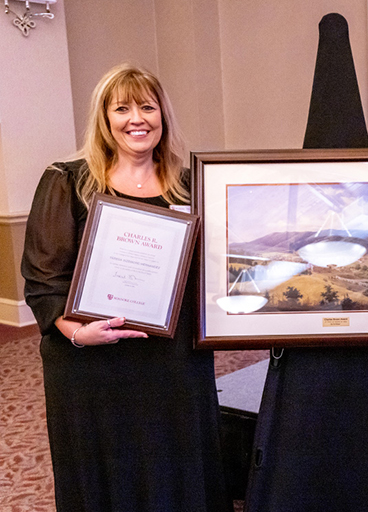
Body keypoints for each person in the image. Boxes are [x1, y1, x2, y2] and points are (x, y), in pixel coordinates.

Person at [21, 64, 231, 512]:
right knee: (110, 473)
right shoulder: (68, 181)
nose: (137, 119)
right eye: (122, 108)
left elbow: (212, 265)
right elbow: (43, 278)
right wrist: (78, 332)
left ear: (162, 116)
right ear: (105, 118)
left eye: (147, 107)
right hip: (93, 364)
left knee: (176, 465)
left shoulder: (192, 182)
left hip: (173, 361)